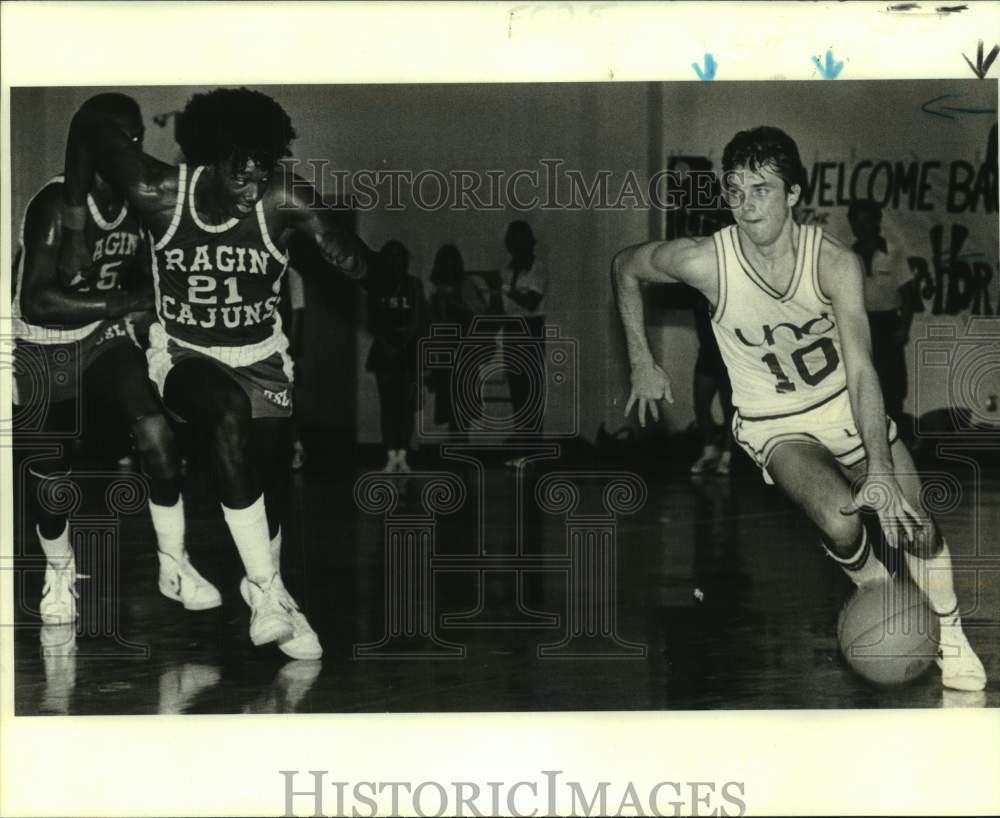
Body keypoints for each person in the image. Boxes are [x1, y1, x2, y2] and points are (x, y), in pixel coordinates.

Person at [612, 126, 985, 691]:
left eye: (761, 188)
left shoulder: (834, 263)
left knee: (915, 523)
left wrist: (880, 467)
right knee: (840, 521)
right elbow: (626, 266)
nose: (745, 202)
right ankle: (874, 586)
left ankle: (950, 631)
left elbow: (862, 368)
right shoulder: (706, 261)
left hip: (844, 406)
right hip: (775, 424)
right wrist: (641, 358)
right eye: (734, 189)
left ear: (793, 195)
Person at [58, 88, 374, 660]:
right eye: (239, 176)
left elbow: (353, 254)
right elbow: (86, 124)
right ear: (212, 159)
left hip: (263, 358)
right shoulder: (155, 191)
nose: (250, 189)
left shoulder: (282, 197)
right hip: (184, 355)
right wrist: (78, 227)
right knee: (225, 413)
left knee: (270, 495)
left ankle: (265, 586)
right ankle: (270, 594)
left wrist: (354, 259)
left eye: (261, 175)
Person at [13, 93, 220, 628]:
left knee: (154, 429)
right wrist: (123, 303)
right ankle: (58, 572)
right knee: (51, 480)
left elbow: (144, 281)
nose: (122, 147)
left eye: (132, 138)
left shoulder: (138, 200)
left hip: (101, 337)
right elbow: (37, 301)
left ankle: (174, 564)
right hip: (41, 344)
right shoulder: (54, 205)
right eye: (111, 136)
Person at [846, 199, 915, 433]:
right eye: (856, 222)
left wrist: (904, 328)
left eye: (867, 221)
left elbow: (908, 295)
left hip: (887, 324)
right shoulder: (846, 257)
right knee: (863, 383)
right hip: (860, 326)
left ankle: (896, 438)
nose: (861, 227)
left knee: (892, 387)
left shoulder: (893, 253)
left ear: (877, 223)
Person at [366, 240, 426, 472]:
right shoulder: (376, 287)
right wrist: (388, 345)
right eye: (390, 257)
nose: (396, 262)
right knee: (388, 404)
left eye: (400, 257)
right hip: (384, 351)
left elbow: (417, 319)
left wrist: (403, 344)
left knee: (407, 404)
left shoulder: (413, 285)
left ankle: (404, 453)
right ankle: (391, 452)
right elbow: (373, 321)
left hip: (408, 350)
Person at [498, 220, 548, 443]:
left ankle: (533, 442)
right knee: (516, 390)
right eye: (514, 242)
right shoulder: (506, 272)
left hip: (531, 330)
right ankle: (522, 440)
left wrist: (505, 289)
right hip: (512, 331)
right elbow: (503, 308)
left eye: (522, 241)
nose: (518, 246)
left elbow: (531, 302)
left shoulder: (538, 268)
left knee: (532, 389)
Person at [427, 244, 473, 435]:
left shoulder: (466, 288)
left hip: (464, 354)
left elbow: (477, 317)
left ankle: (460, 451)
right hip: (444, 357)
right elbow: (432, 330)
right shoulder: (436, 295)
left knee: (462, 407)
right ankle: (457, 450)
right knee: (450, 408)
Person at [690, 293, 735, 476]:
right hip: (707, 357)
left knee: (729, 410)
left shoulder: (729, 295)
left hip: (728, 359)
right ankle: (709, 451)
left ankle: (727, 455)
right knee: (700, 406)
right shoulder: (697, 294)